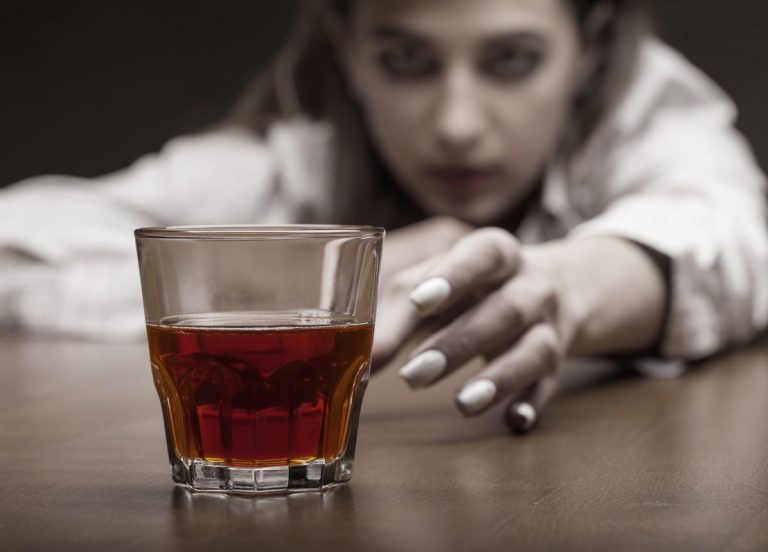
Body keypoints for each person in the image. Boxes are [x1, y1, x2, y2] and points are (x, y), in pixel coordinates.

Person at [0, 0, 766, 433]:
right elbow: (16, 243)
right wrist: (311, 279)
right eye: (406, 62)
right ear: (350, 56)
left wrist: (558, 286)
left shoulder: (647, 117)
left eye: (511, 61)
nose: (458, 123)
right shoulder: (296, 163)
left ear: (589, 50)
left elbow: (732, 233)